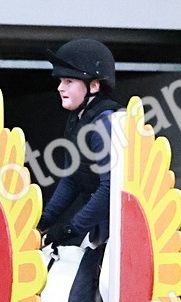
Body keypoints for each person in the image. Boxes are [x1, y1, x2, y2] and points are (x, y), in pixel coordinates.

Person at [37, 38, 122, 250]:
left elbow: (111, 187)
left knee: (84, 274)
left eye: (68, 81)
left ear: (94, 86)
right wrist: (43, 221)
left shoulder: (105, 124)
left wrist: (71, 228)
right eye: (60, 81)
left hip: (121, 228)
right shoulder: (77, 120)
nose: (60, 88)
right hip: (99, 225)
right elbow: (72, 178)